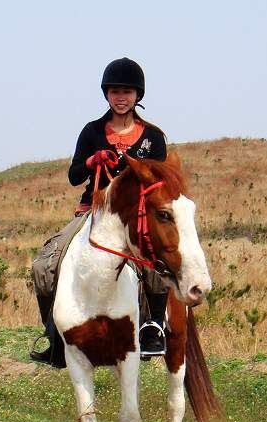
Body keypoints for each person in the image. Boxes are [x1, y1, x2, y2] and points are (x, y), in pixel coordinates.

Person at [30, 57, 171, 365]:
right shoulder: (92, 131)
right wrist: (92, 161)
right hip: (92, 211)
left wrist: (128, 165)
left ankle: (153, 327)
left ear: (138, 96)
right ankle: (53, 333)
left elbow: (158, 180)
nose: (121, 98)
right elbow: (73, 175)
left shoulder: (153, 137)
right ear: (106, 94)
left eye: (128, 92)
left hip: (135, 214)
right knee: (43, 265)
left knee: (157, 263)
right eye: (115, 91)